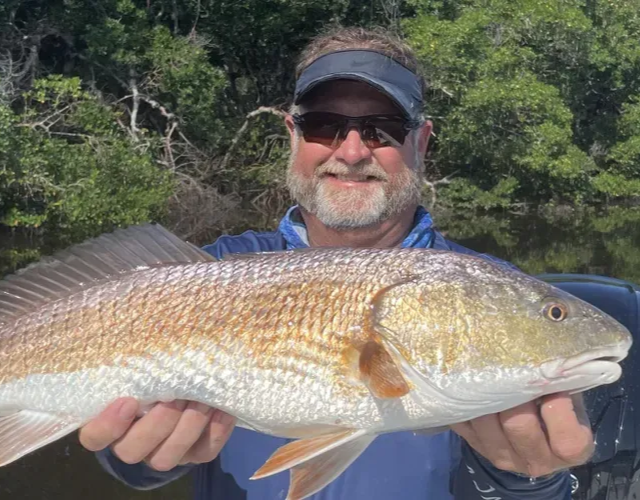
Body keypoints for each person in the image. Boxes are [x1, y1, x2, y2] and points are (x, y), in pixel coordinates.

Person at [79, 27, 594, 499]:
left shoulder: (491, 291)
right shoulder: (204, 271)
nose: (350, 152)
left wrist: (530, 477)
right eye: (323, 125)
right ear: (292, 135)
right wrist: (139, 463)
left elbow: (536, 485)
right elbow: (116, 440)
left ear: (422, 141)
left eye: (382, 129)